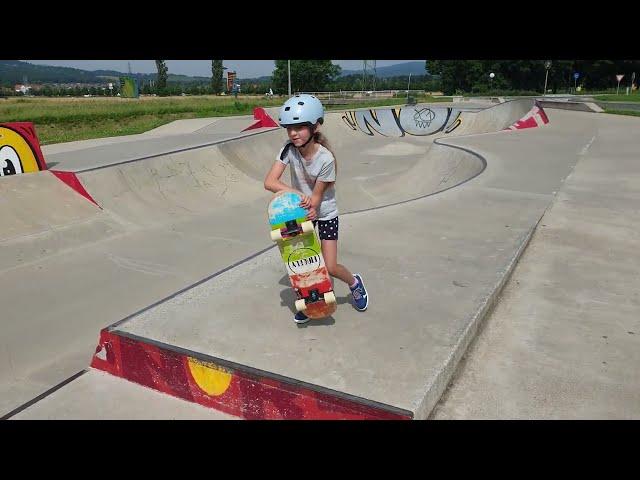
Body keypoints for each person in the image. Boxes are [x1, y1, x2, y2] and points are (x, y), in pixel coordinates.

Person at [264, 94, 368, 323]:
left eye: (300, 127)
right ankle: (311, 302)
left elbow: (317, 199)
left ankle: (354, 283)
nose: (293, 133)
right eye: (289, 128)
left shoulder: (326, 159)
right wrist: (298, 195)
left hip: (326, 213)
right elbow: (270, 181)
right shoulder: (287, 150)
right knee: (304, 264)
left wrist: (310, 204)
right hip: (302, 209)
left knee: (329, 266)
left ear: (315, 126)